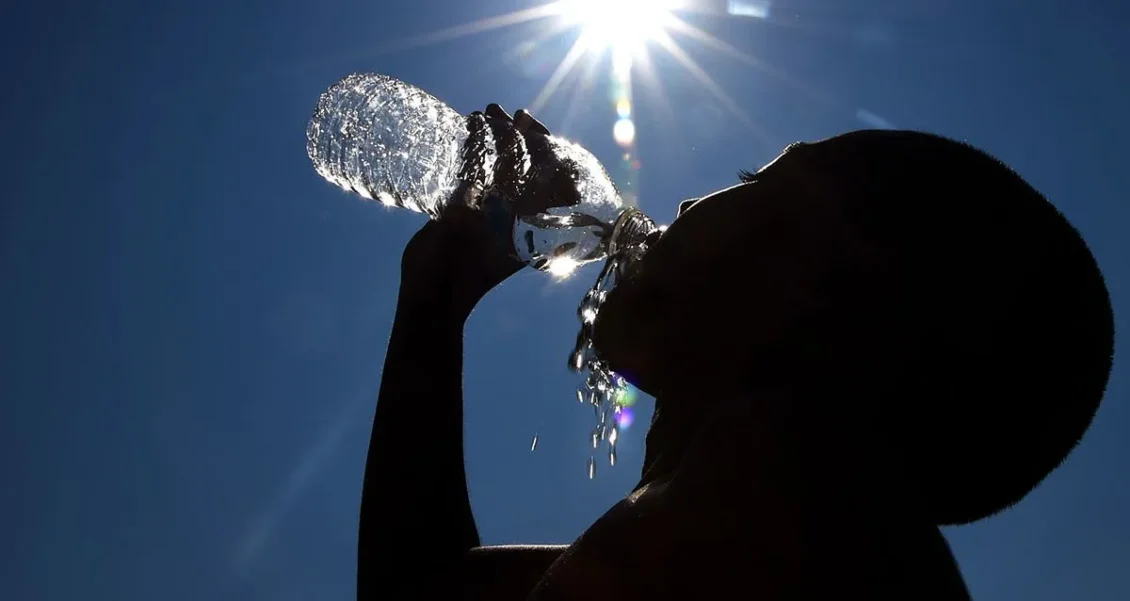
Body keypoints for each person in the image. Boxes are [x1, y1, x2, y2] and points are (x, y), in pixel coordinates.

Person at [356, 105, 1115, 601]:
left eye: (759, 183)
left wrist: (433, 303)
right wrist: (434, 297)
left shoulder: (778, 520)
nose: (685, 204)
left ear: (831, 297)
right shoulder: (764, 533)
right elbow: (421, 588)